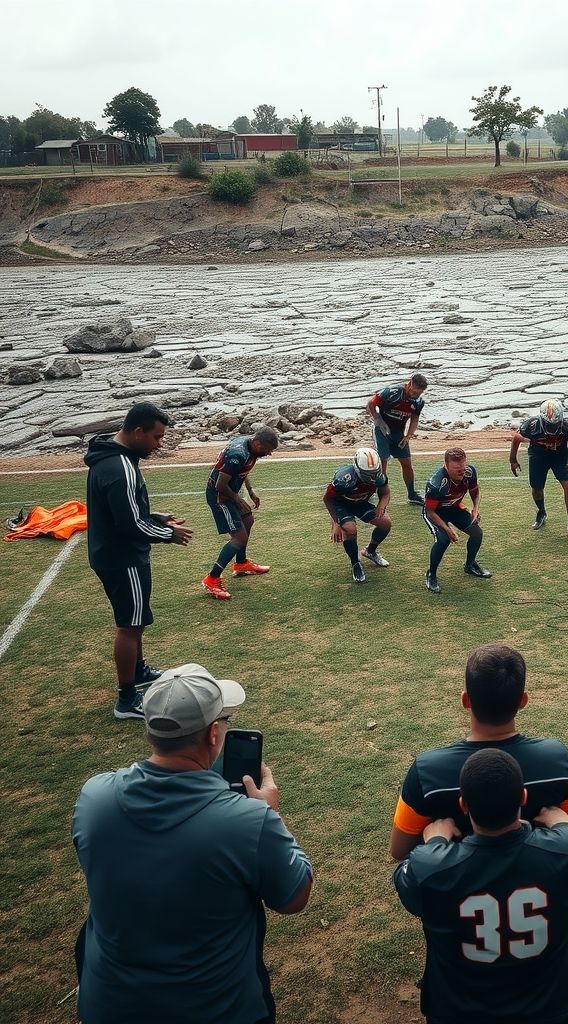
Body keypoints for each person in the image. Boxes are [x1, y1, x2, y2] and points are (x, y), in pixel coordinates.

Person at [72, 664, 313, 1024]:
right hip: (218, 1011)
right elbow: (295, 897)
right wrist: (270, 816)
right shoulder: (248, 821)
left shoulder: (94, 798)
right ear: (214, 735)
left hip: (109, 1006)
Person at [394, 747, 568, 1024]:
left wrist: (435, 843)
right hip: (549, 1011)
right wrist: (564, 827)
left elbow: (405, 879)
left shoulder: (430, 868)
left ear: (463, 805)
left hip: (458, 1013)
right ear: (523, 797)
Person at [389, 642, 568, 861]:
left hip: (459, 888)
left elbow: (400, 850)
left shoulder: (427, 771)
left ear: (465, 700)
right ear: (523, 701)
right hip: (540, 880)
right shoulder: (557, 759)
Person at [85, 402, 193, 720]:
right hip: (122, 558)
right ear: (137, 432)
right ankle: (127, 699)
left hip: (115, 553)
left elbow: (123, 510)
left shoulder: (112, 457)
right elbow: (129, 525)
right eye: (156, 437)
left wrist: (153, 515)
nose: (159, 444)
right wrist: (167, 534)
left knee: (136, 620)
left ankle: (139, 670)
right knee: (129, 626)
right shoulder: (120, 468)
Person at [201, 427, 279, 600]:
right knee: (238, 537)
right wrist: (238, 499)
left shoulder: (249, 447)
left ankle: (241, 564)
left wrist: (250, 491)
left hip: (230, 493)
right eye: (267, 450)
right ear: (258, 443)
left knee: (248, 520)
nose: (269, 454)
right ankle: (212, 578)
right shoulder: (238, 455)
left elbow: (241, 472)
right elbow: (220, 486)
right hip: (220, 497)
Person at [510, 399, 568, 539]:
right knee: (537, 487)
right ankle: (541, 511)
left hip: (560, 454)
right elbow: (517, 438)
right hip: (538, 455)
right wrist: (512, 460)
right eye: (549, 426)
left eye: (555, 424)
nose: (552, 429)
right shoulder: (532, 425)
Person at [422, 447, 490, 594]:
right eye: (456, 468)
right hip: (436, 513)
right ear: (445, 466)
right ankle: (431, 573)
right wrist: (448, 530)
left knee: (477, 533)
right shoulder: (437, 483)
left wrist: (475, 509)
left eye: (463, 467)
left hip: (454, 508)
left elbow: (475, 491)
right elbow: (430, 512)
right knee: (443, 540)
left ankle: (470, 565)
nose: (461, 472)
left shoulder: (469, 472)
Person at [322, 447, 392, 584]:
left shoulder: (379, 476)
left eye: (374, 473)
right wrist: (336, 523)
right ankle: (355, 563)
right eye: (368, 474)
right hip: (342, 505)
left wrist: (381, 506)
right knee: (350, 530)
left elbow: (385, 493)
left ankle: (370, 551)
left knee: (385, 523)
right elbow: (328, 499)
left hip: (361, 503)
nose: (372, 478)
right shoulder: (344, 478)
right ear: (358, 469)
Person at [367, 373, 428, 505]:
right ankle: (379, 493)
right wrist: (377, 419)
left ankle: (412, 494)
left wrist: (408, 436)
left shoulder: (418, 402)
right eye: (415, 392)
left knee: (406, 463)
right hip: (382, 431)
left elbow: (414, 419)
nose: (417, 396)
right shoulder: (390, 393)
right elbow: (371, 403)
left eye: (420, 393)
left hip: (398, 433)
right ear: (410, 384)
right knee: (382, 461)